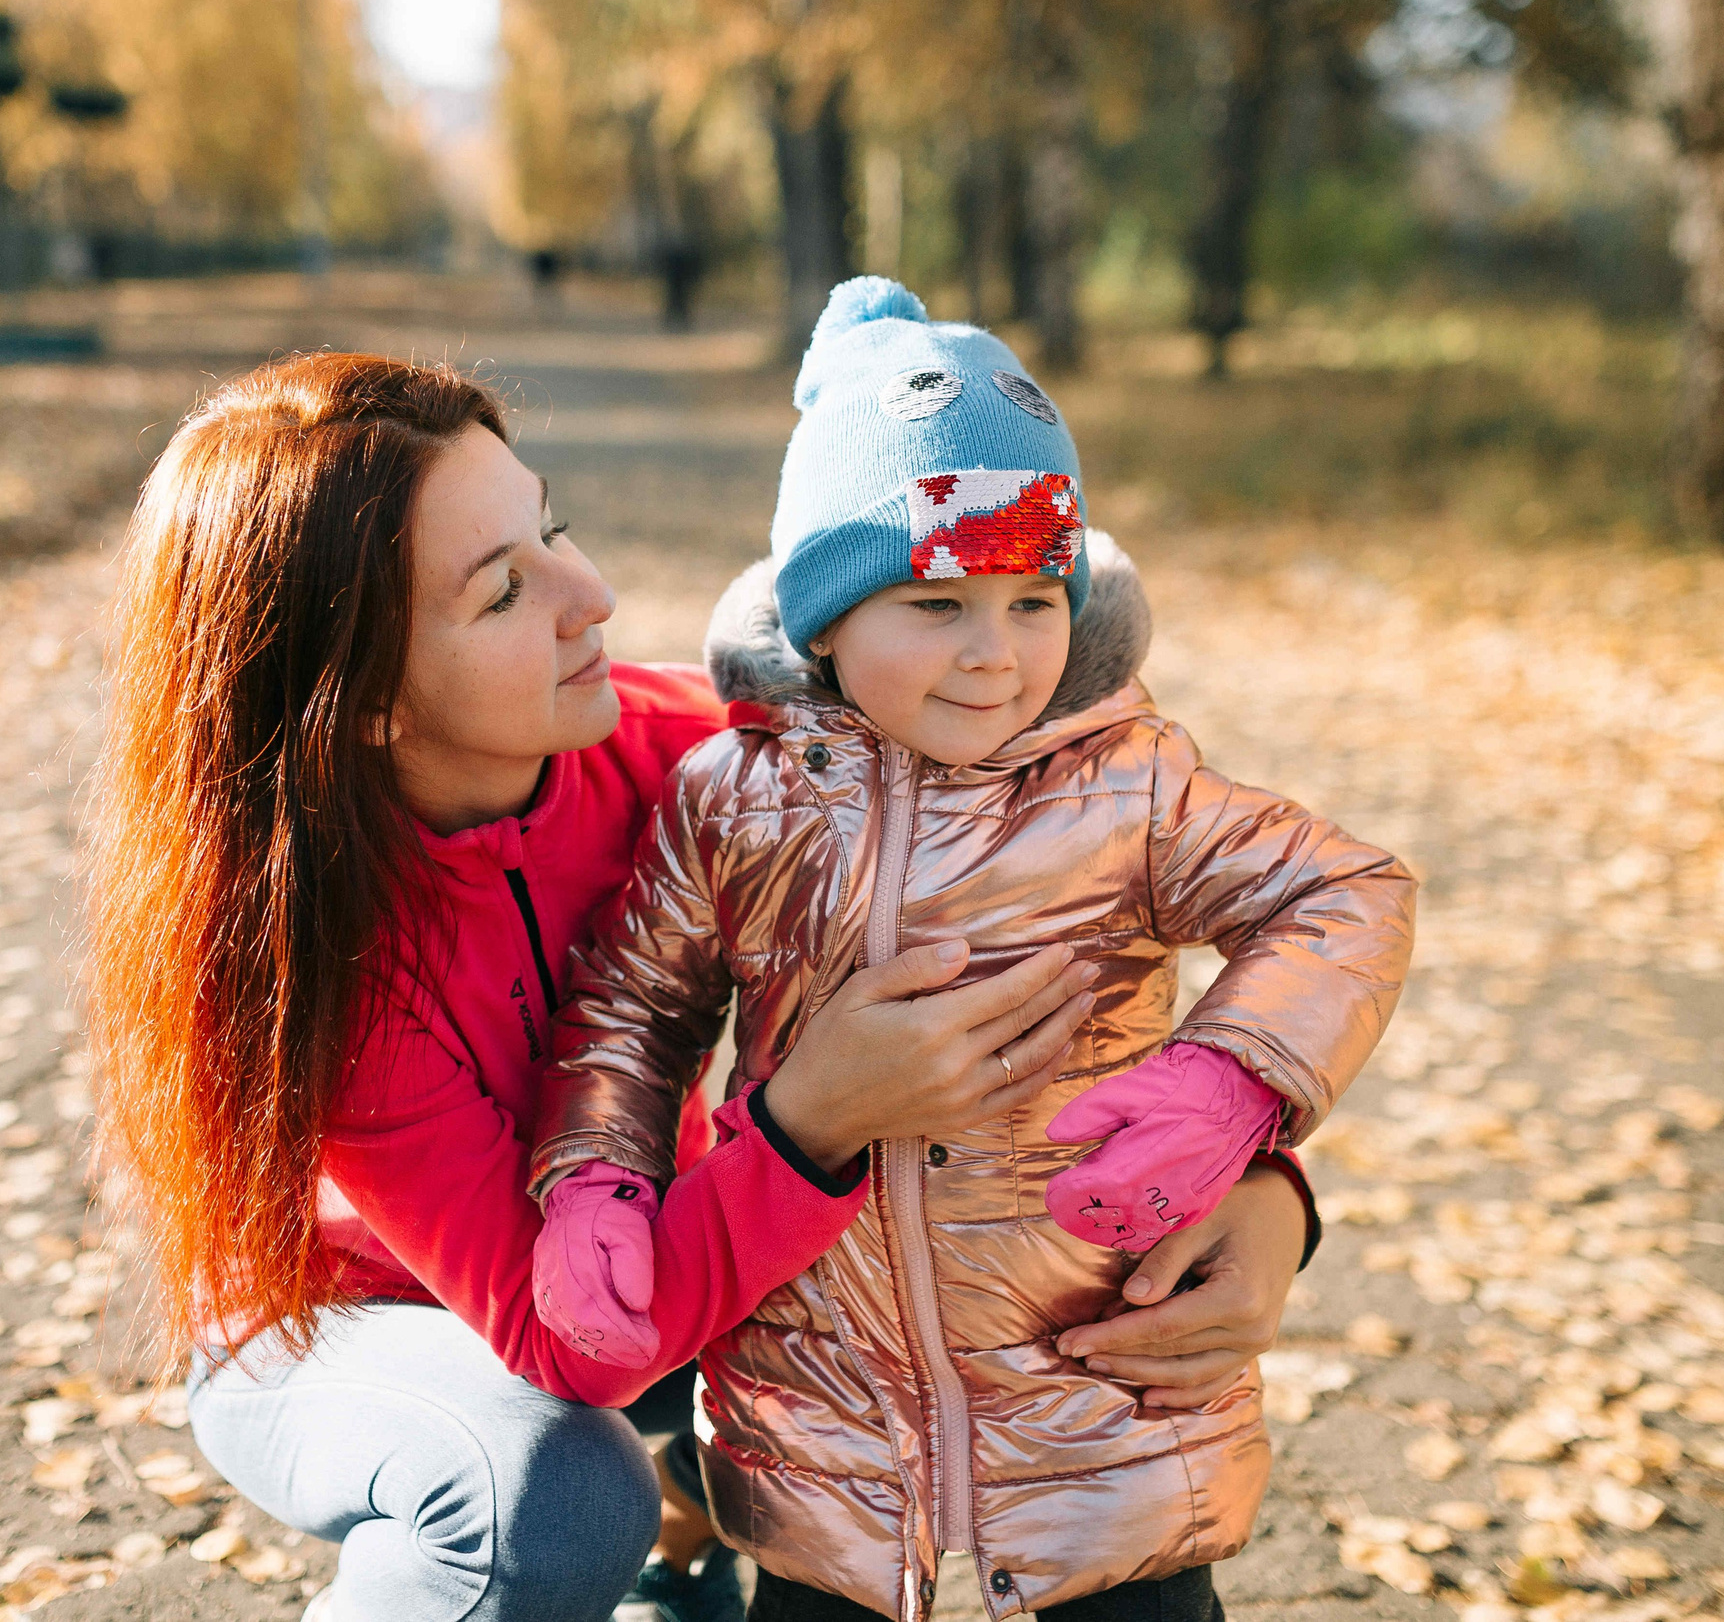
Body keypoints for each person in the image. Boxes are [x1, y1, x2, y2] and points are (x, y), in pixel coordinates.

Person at [84, 350, 1327, 1622]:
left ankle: (676, 1571)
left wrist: (1258, 1184)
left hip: (671, 1259)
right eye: (505, 589)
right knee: (545, 1494)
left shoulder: (714, 770)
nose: (593, 594)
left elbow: (1062, 885)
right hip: (352, 1321)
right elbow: (565, 1343)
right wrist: (813, 1123)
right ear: (356, 703)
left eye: (551, 527)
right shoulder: (320, 960)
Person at [526, 279, 1418, 1621]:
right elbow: (632, 1006)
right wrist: (596, 1171)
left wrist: (1237, 1081)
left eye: (1031, 600)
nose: (996, 656)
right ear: (822, 616)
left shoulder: (1128, 784)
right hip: (822, 1399)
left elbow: (1348, 890)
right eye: (937, 606)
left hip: (1102, 1383)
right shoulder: (734, 798)